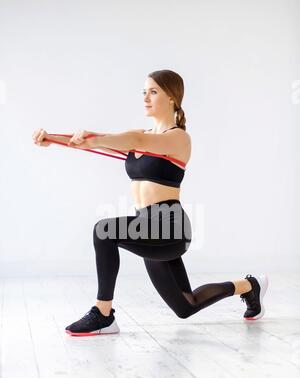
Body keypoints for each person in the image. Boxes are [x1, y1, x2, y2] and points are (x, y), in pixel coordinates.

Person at [32, 69, 269, 337]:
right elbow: (101, 140)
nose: (145, 97)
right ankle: (250, 286)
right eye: (143, 92)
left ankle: (104, 314)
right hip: (146, 227)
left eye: (153, 91)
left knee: (104, 231)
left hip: (170, 227)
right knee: (185, 306)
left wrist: (96, 139)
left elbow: (137, 141)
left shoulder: (178, 137)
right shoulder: (140, 133)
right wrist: (51, 138)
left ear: (172, 97)